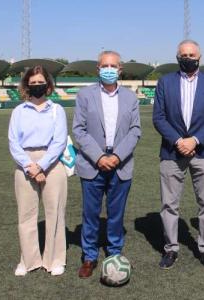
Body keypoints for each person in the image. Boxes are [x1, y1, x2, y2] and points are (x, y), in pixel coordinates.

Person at [152, 39, 204, 269]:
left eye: (192, 55)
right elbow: (159, 117)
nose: (188, 58)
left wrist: (194, 140)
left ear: (199, 57)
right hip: (172, 152)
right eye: (184, 55)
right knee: (169, 204)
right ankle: (171, 249)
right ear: (177, 57)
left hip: (203, 151)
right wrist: (177, 140)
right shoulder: (165, 82)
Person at [72, 50, 141, 278]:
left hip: (120, 164)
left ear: (120, 70)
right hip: (92, 164)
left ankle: (114, 254)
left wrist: (117, 156)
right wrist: (99, 157)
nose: (109, 69)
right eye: (105, 66)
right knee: (90, 215)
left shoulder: (130, 97)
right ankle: (89, 257)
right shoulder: (84, 95)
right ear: (98, 69)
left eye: (113, 66)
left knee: (116, 215)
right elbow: (79, 130)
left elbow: (135, 131)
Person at [8, 65, 68, 276]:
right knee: (26, 215)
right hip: (25, 163)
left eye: (40, 82)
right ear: (26, 86)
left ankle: (55, 259)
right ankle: (28, 260)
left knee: (55, 213)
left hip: (51, 163)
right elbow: (13, 142)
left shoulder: (56, 110)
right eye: (32, 83)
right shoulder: (19, 111)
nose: (36, 86)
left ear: (48, 84)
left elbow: (59, 141)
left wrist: (42, 165)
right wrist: (30, 166)